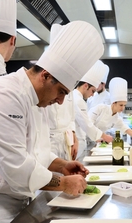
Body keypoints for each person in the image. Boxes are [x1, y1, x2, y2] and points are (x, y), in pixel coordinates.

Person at [0, 21, 104, 223]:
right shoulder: (4, 96)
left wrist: (63, 165)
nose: (61, 101)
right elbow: (15, 166)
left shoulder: (36, 101)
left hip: (15, 201)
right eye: (61, 91)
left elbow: (36, 153)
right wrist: (62, 183)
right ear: (45, 76)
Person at [88, 77, 132, 142]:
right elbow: (88, 124)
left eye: (124, 105)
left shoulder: (117, 118)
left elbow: (129, 131)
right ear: (114, 103)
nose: (123, 108)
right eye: (121, 105)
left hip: (97, 141)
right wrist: (104, 136)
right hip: (87, 139)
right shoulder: (100, 108)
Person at [46, 24, 78, 161]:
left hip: (65, 141)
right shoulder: (44, 85)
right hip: (48, 142)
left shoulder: (69, 87)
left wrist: (74, 138)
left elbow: (71, 118)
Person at [73, 60, 114, 162]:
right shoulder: (78, 100)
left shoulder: (77, 97)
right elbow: (87, 124)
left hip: (82, 140)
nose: (92, 95)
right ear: (86, 86)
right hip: (77, 143)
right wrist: (104, 136)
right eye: (92, 91)